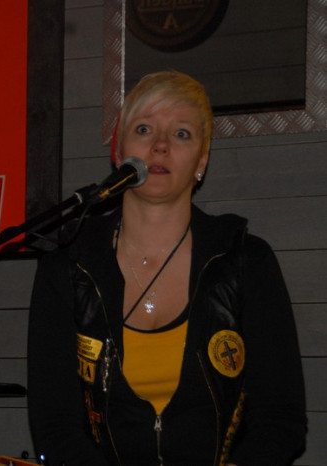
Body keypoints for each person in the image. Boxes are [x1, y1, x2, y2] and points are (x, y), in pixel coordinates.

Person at [27, 71, 307, 465]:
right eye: (144, 129)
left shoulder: (246, 262)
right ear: (118, 152)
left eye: (181, 134)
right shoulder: (68, 268)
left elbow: (281, 420)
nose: (160, 145)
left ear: (201, 161)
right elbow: (55, 426)